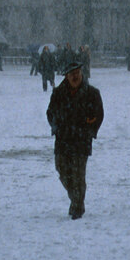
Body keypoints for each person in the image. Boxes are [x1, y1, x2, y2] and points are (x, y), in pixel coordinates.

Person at [46, 57, 103, 220]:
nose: (75, 76)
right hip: (63, 139)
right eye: (72, 74)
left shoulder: (92, 93)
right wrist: (56, 126)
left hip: (81, 140)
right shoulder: (58, 93)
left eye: (77, 73)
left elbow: (99, 115)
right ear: (66, 76)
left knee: (78, 175)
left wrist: (90, 129)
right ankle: (75, 199)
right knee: (63, 171)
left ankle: (77, 206)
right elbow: (50, 113)